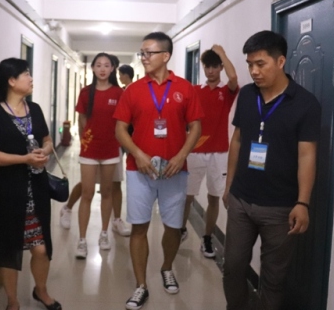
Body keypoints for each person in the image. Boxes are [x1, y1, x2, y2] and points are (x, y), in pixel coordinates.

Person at [222, 31, 321, 310]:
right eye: (249, 64)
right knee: (233, 267)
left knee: (274, 278)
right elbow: (237, 140)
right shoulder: (246, 95)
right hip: (241, 200)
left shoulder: (305, 103)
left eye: (260, 64)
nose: (254, 71)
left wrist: (303, 202)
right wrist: (229, 185)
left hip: (280, 207)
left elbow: (307, 155)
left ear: (280, 61)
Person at [114, 32, 204, 310]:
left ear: (165, 56)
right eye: (141, 53)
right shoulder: (133, 90)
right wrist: (138, 154)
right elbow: (120, 129)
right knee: (139, 226)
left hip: (174, 170)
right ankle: (141, 285)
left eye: (148, 53)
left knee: (173, 226)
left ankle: (166, 267)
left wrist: (181, 156)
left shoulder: (185, 88)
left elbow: (196, 126)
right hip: (139, 170)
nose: (143, 58)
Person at [0, 58, 61, 310]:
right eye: (26, 74)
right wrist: (24, 159)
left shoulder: (34, 109)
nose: (31, 79)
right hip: (6, 192)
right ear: (11, 81)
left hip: (36, 191)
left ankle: (41, 291)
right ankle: (12, 301)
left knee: (41, 249)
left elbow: (47, 140)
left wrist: (44, 151)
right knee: (8, 250)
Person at [180, 44, 238, 258]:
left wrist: (222, 53)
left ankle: (207, 238)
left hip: (219, 152)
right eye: (207, 67)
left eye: (215, 66)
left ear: (220, 67)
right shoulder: (195, 91)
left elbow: (234, 77)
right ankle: (181, 229)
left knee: (214, 197)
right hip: (195, 151)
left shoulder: (227, 91)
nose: (211, 71)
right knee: (187, 196)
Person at [72, 52, 124, 258]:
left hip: (110, 149)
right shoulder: (86, 92)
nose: (102, 69)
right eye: (99, 65)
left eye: (106, 65)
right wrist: (85, 140)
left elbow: (122, 122)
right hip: (90, 149)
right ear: (93, 68)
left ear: (112, 69)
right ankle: (82, 240)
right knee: (87, 193)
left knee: (107, 191)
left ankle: (104, 234)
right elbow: (82, 119)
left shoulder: (119, 93)